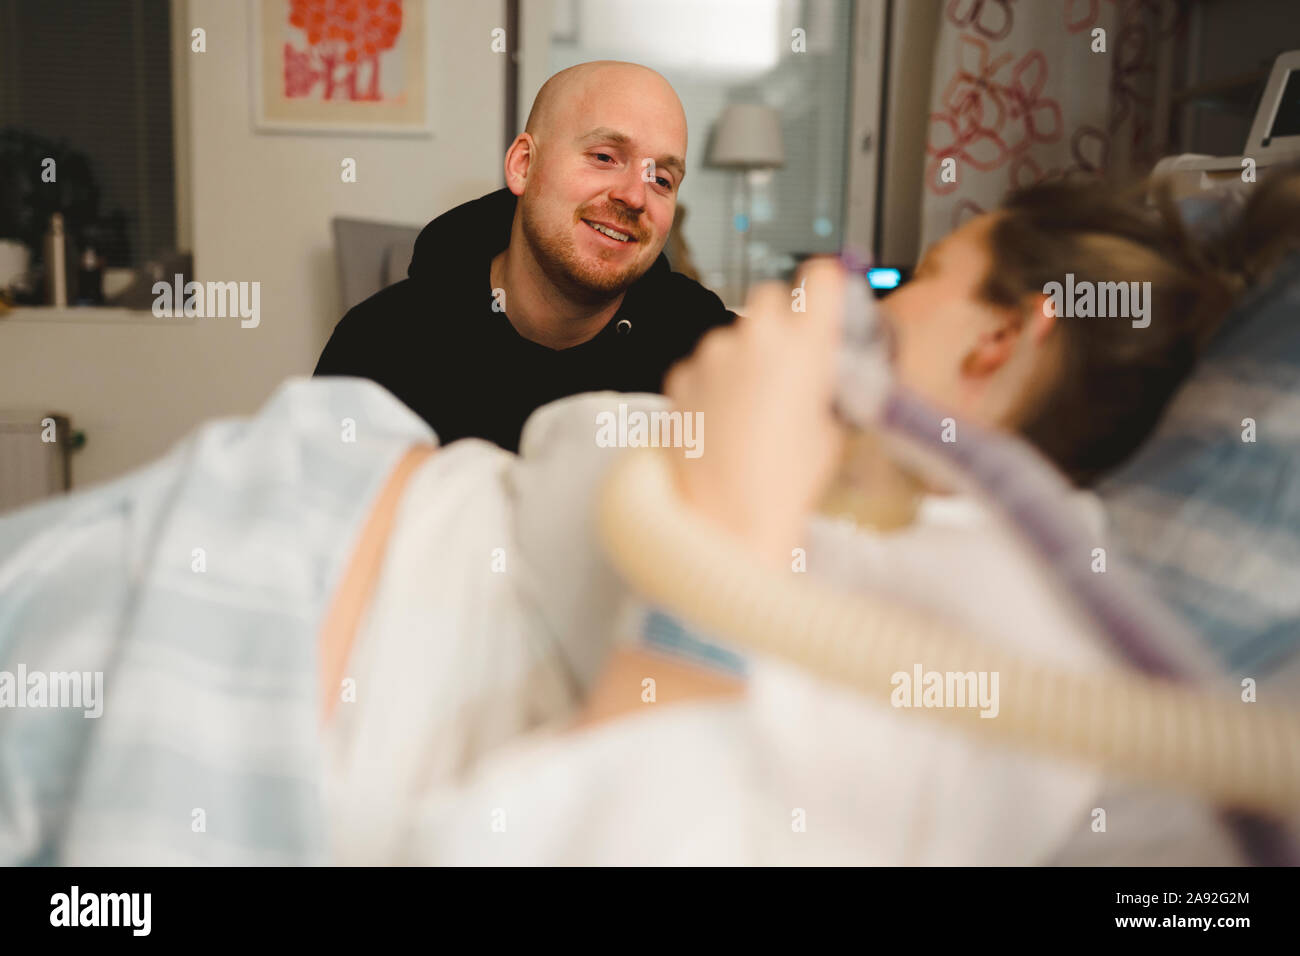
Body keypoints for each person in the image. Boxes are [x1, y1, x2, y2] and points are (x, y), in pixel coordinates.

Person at [5, 170, 1298, 864]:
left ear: (1004, 341)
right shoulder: (886, 506)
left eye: (930, 276)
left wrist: (731, 510)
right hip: (209, 557)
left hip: (213, 659)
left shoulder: (999, 648)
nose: (868, 301)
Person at [313, 60, 732, 453]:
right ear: (523, 165)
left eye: (661, 178)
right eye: (604, 157)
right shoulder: (380, 348)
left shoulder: (710, 353)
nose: (635, 195)